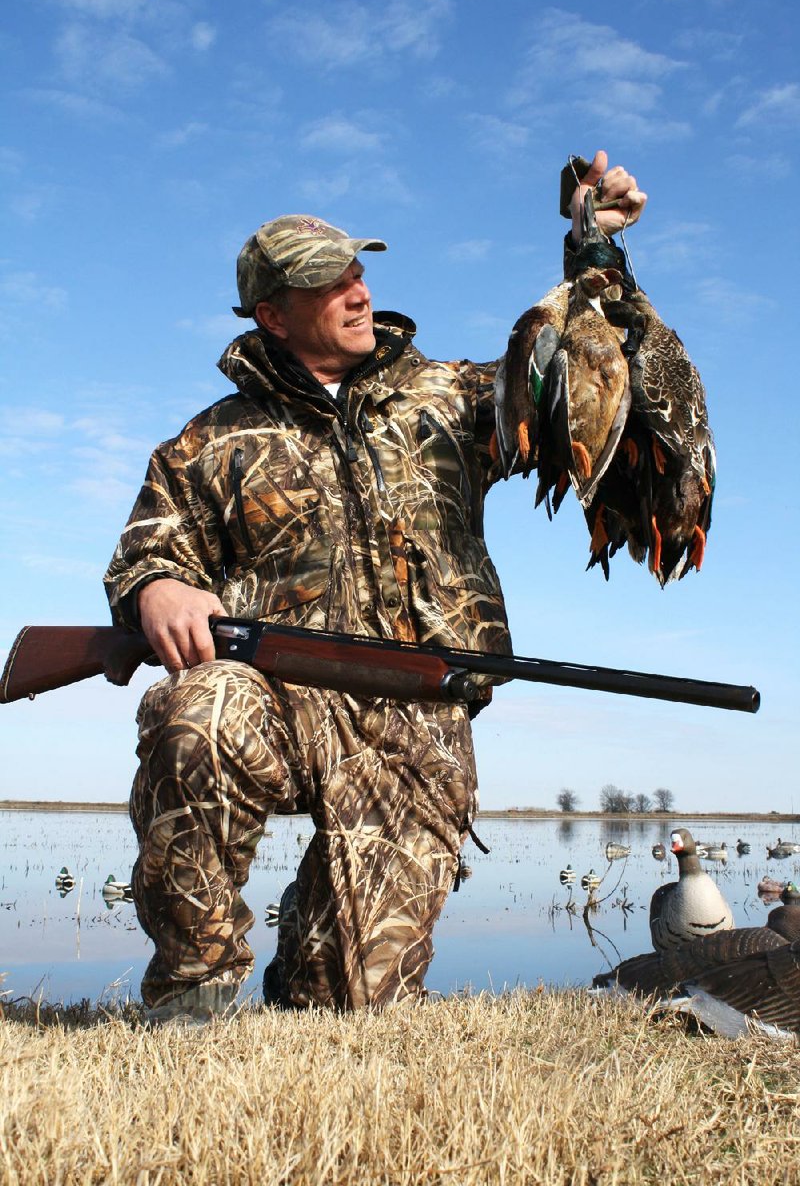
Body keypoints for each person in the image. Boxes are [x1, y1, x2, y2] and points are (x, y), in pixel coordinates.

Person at [105, 151, 646, 1023]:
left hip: (414, 720)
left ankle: (308, 975)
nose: (359, 292)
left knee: (348, 1005)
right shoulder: (210, 442)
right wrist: (158, 592)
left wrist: (592, 254)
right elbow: (147, 553)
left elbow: (577, 391)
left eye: (359, 270)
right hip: (275, 701)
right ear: (273, 317)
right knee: (199, 709)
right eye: (330, 284)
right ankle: (193, 991)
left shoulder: (449, 398)